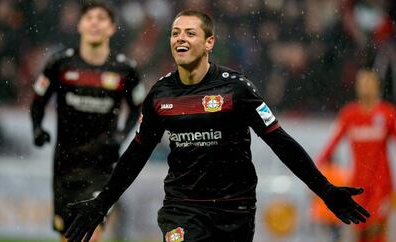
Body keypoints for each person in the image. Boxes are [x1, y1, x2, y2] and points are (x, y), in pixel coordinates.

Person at [64, 10, 370, 242]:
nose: (180, 38)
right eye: (175, 33)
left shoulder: (236, 90)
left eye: (190, 33)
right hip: (182, 208)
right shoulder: (159, 95)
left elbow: (281, 142)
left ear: (209, 42)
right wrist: (101, 203)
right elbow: (136, 154)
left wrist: (325, 190)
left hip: (234, 210)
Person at [29, 2, 144, 242]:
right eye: (89, 17)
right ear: (79, 25)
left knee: (89, 234)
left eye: (101, 18)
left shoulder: (125, 69)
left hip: (102, 166)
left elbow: (138, 108)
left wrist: (123, 135)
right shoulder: (60, 64)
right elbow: (38, 101)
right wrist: (37, 128)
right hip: (65, 166)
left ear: (112, 28)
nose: (94, 22)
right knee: (69, 236)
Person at [316, 69, 396, 242]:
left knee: (377, 231)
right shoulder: (349, 114)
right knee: (358, 231)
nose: (365, 87)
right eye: (362, 83)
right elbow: (331, 144)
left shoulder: (387, 112)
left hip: (381, 185)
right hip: (358, 183)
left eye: (369, 82)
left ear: (377, 86)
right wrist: (314, 169)